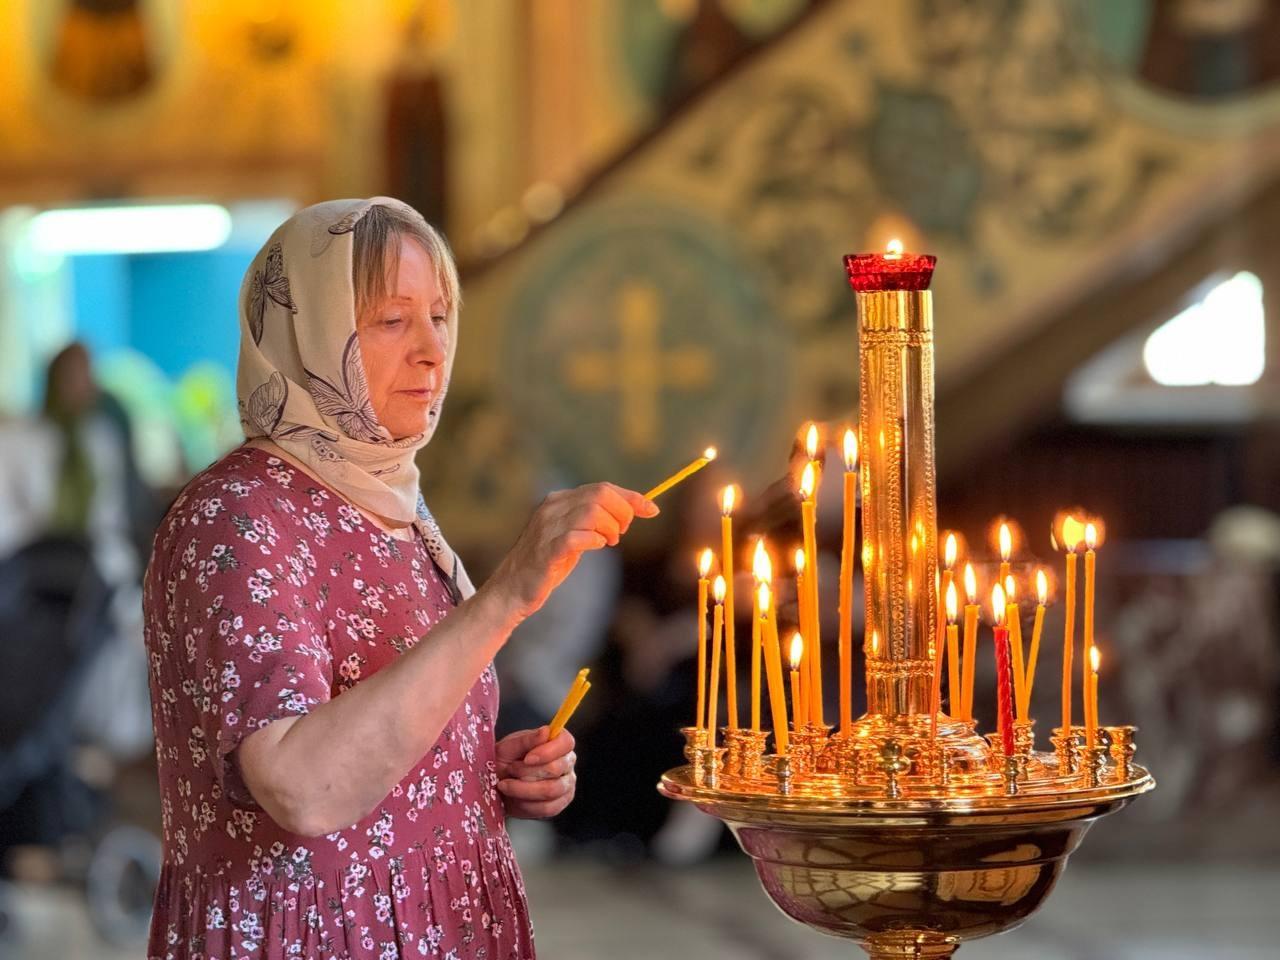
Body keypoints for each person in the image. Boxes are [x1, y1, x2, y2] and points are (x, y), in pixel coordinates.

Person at [142, 198, 658, 960]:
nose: (431, 351)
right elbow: (301, 786)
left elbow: (388, 715)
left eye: (441, 317)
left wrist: (475, 769)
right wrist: (508, 593)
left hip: (426, 920)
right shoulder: (238, 517)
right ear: (309, 331)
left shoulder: (385, 500)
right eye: (391, 320)